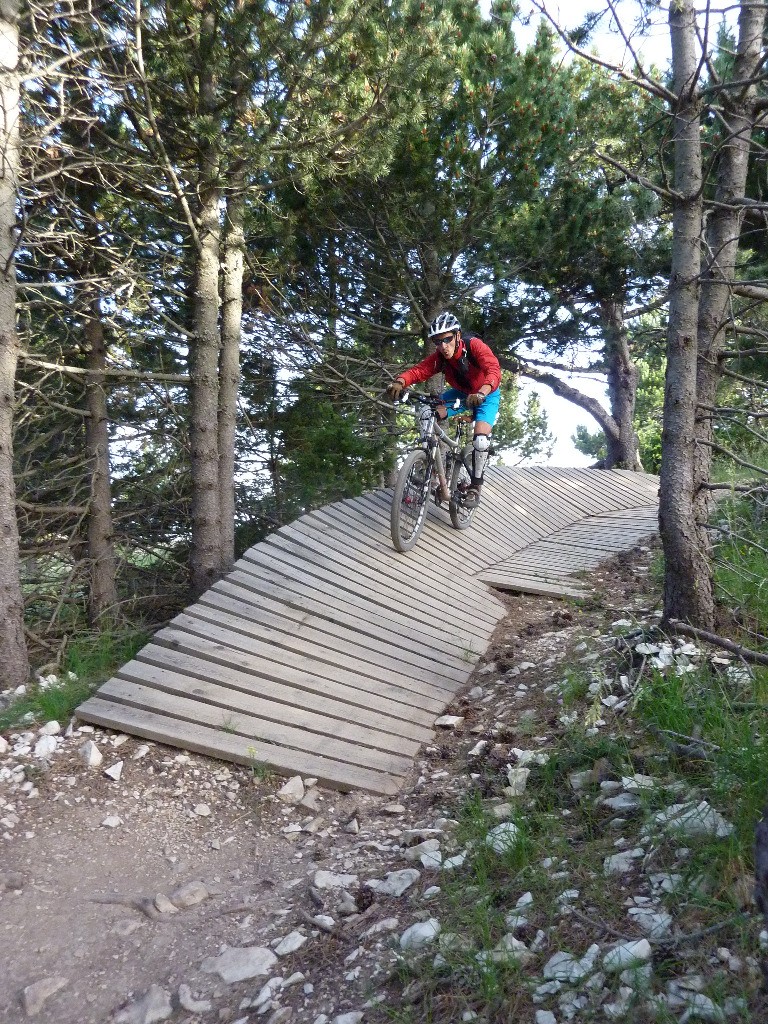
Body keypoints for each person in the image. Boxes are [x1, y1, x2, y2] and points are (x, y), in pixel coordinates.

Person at [386, 311, 501, 509]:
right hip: (462, 394)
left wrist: (482, 393)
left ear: (457, 335)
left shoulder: (473, 346)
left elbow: (493, 369)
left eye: (447, 339)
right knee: (425, 412)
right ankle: (430, 470)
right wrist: (400, 381)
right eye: (438, 342)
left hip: (486, 394)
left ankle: (475, 487)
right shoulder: (441, 357)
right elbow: (419, 370)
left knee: (481, 440)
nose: (443, 346)